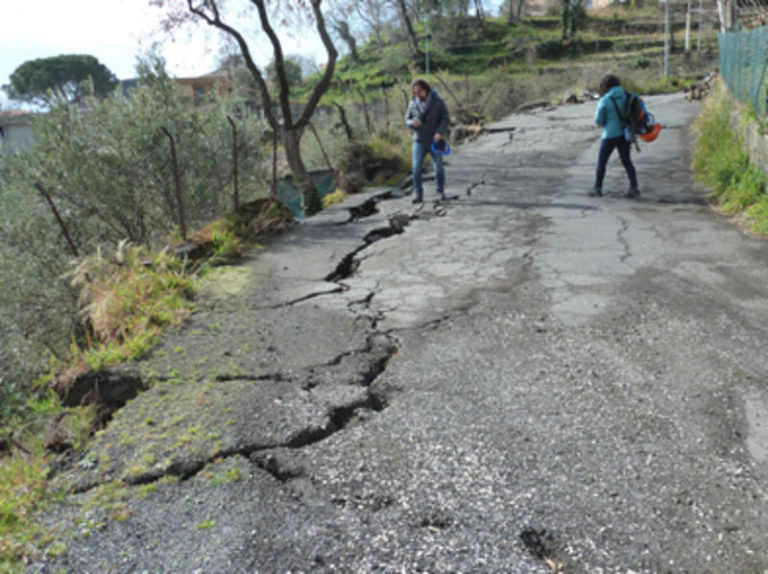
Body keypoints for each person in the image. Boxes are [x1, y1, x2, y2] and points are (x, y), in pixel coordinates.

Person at [591, 74, 639, 198]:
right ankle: (634, 188)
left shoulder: (605, 100)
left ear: (605, 86)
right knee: (627, 162)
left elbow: (598, 121)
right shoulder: (627, 95)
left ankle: (597, 188)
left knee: (602, 162)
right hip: (624, 134)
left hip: (609, 135)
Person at [405, 78, 450, 203]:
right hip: (419, 140)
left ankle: (440, 191)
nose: (417, 94)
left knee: (439, 167)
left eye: (419, 91)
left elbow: (446, 118)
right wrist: (412, 123)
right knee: (416, 168)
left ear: (425, 90)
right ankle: (418, 193)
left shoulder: (438, 101)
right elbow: (407, 119)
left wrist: (439, 132)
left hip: (434, 141)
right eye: (414, 92)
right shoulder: (413, 103)